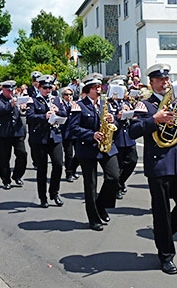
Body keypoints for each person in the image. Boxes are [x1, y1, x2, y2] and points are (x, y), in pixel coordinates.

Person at [129, 63, 177, 275]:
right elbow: (133, 131)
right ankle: (166, 255)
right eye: (160, 80)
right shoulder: (145, 106)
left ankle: (163, 234)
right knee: (161, 213)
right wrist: (154, 120)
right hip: (159, 165)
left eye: (167, 79)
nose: (165, 82)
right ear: (152, 83)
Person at [69, 74, 120, 232]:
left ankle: (101, 205)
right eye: (95, 87)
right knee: (90, 185)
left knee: (114, 177)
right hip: (88, 148)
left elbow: (115, 124)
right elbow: (73, 129)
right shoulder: (79, 106)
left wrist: (113, 121)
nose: (99, 89)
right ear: (88, 90)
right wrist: (91, 134)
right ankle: (93, 218)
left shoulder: (105, 104)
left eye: (100, 87)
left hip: (106, 146)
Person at [26, 75, 67, 208]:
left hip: (54, 137)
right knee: (42, 169)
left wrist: (58, 111)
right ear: (39, 87)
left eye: (50, 87)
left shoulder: (56, 99)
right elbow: (30, 117)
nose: (48, 90)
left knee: (58, 165)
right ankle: (42, 197)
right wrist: (44, 116)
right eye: (45, 87)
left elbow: (65, 112)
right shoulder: (33, 100)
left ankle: (54, 192)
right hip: (40, 138)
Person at [0, 80, 28, 190]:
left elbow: (21, 113)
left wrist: (23, 108)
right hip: (3, 132)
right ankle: (6, 180)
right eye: (8, 90)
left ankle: (17, 175)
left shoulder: (17, 98)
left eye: (12, 89)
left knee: (22, 154)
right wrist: (10, 104)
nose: (10, 92)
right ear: (3, 89)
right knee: (4, 158)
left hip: (17, 131)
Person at [107, 83, 138, 199]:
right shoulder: (109, 105)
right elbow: (108, 119)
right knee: (118, 164)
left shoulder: (126, 103)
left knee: (132, 161)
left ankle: (120, 182)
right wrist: (117, 117)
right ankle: (116, 188)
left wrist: (130, 112)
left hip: (128, 138)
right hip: (117, 138)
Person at [59, 86, 80, 182]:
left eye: (71, 94)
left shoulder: (75, 103)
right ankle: (68, 173)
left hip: (76, 132)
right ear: (63, 96)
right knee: (69, 154)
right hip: (66, 132)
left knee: (79, 153)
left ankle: (74, 169)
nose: (69, 96)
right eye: (66, 94)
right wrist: (69, 109)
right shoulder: (61, 104)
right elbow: (61, 113)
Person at [27, 70, 42, 169]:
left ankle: (40, 159)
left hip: (43, 117)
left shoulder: (45, 89)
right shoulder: (29, 91)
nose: (36, 82)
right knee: (33, 141)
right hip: (33, 117)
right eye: (34, 80)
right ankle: (35, 161)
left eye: (37, 80)